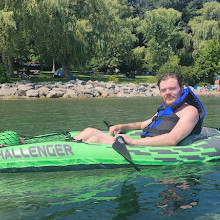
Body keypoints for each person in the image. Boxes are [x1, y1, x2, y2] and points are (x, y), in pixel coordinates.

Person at [73, 73, 205, 146]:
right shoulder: (167, 109)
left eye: (172, 89)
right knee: (89, 131)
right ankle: (61, 146)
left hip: (151, 147)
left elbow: (172, 139)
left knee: (95, 139)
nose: (167, 93)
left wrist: (133, 141)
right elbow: (142, 124)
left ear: (182, 88)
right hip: (144, 140)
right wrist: (121, 126)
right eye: (163, 90)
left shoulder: (190, 111)